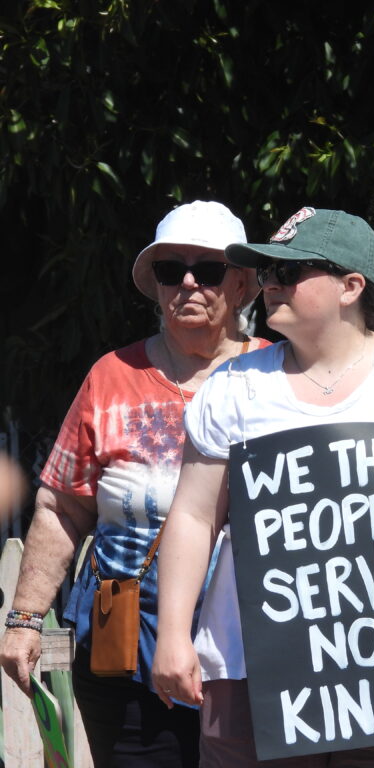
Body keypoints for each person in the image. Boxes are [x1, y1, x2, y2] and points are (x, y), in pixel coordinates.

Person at [150, 207, 374, 767]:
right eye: (266, 273)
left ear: (351, 286)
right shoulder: (235, 389)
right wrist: (173, 633)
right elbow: (194, 517)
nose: (269, 285)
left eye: (289, 273)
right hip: (255, 667)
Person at [0, 200, 265, 766]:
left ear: (242, 284)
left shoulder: (278, 374)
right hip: (124, 647)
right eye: (171, 270)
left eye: (209, 269)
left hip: (253, 649)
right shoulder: (111, 376)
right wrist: (23, 620)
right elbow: (62, 509)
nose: (188, 283)